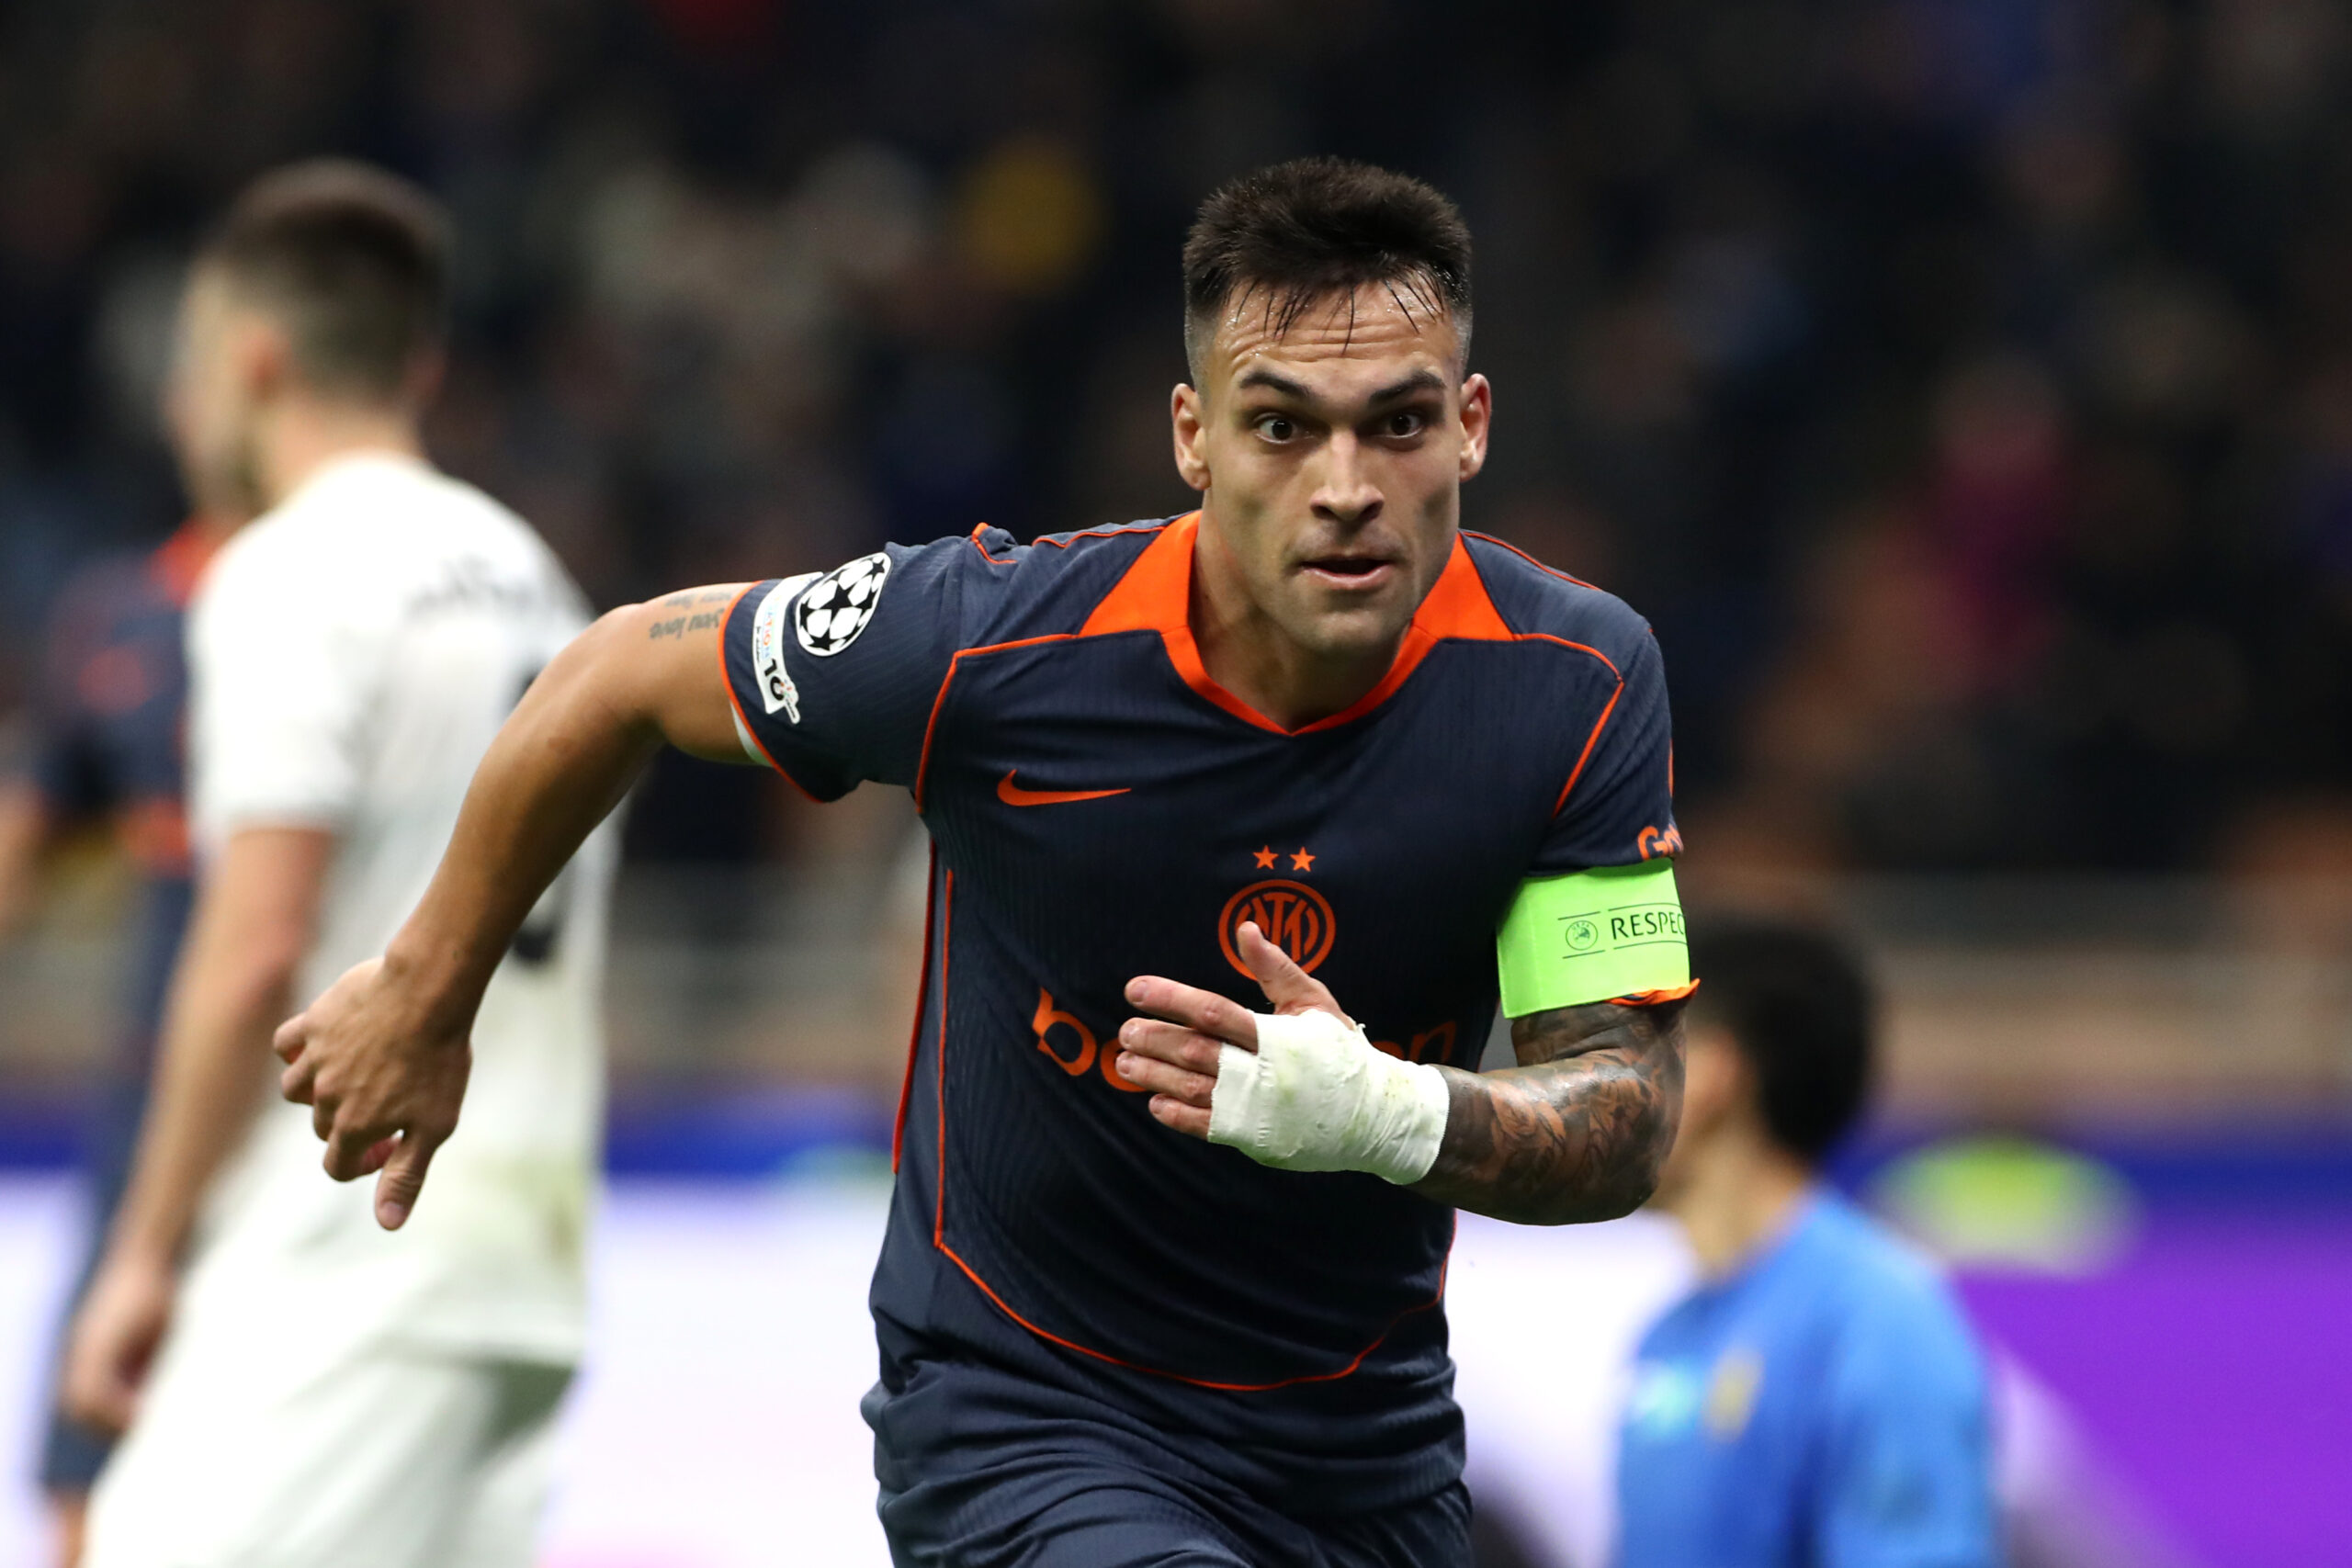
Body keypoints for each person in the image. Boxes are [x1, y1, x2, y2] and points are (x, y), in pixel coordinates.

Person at [280, 156, 1694, 1568]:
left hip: (1365, 1455)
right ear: (1194, 437)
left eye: (1398, 424)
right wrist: (424, 987)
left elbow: (1627, 1109)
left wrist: (1383, 1110)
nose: (1344, 488)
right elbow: (614, 674)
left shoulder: (1577, 685)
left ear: (1471, 425)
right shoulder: (991, 641)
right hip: (1028, 1414)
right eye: (1281, 426)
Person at [60, 160, 618, 1568]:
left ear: (250, 362)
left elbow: (256, 947)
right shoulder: (538, 576)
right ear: (415, 363)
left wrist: (143, 1250)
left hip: (345, 1265)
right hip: (524, 1270)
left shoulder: (287, 569)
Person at [0, 504, 237, 1567]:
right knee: (90, 1450)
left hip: (329, 1103)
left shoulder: (374, 601)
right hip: (156, 1095)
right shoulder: (124, 611)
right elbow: (34, 822)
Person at [1616, 917, 1997, 1567]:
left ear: (1713, 1072)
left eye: (1628, 1052)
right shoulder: (1668, 1334)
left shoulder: (1879, 1323)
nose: (1600, 1095)